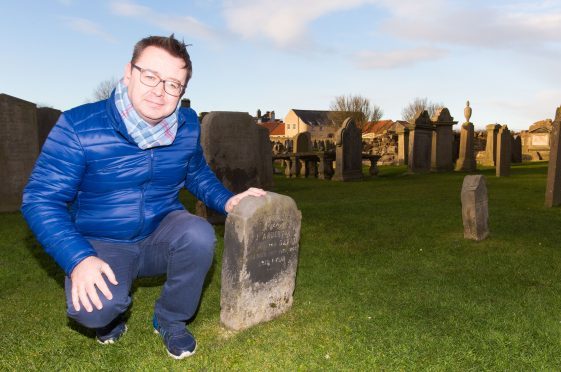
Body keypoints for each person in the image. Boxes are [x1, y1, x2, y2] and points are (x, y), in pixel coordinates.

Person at [21, 34, 266, 360]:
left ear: (182, 91)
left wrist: (227, 200)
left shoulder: (186, 125)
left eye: (173, 84)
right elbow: (40, 199)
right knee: (95, 312)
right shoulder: (79, 126)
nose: (160, 91)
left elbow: (194, 172)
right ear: (129, 72)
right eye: (150, 76)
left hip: (161, 229)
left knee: (199, 234)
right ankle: (109, 321)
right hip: (103, 240)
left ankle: (170, 319)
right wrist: (78, 257)